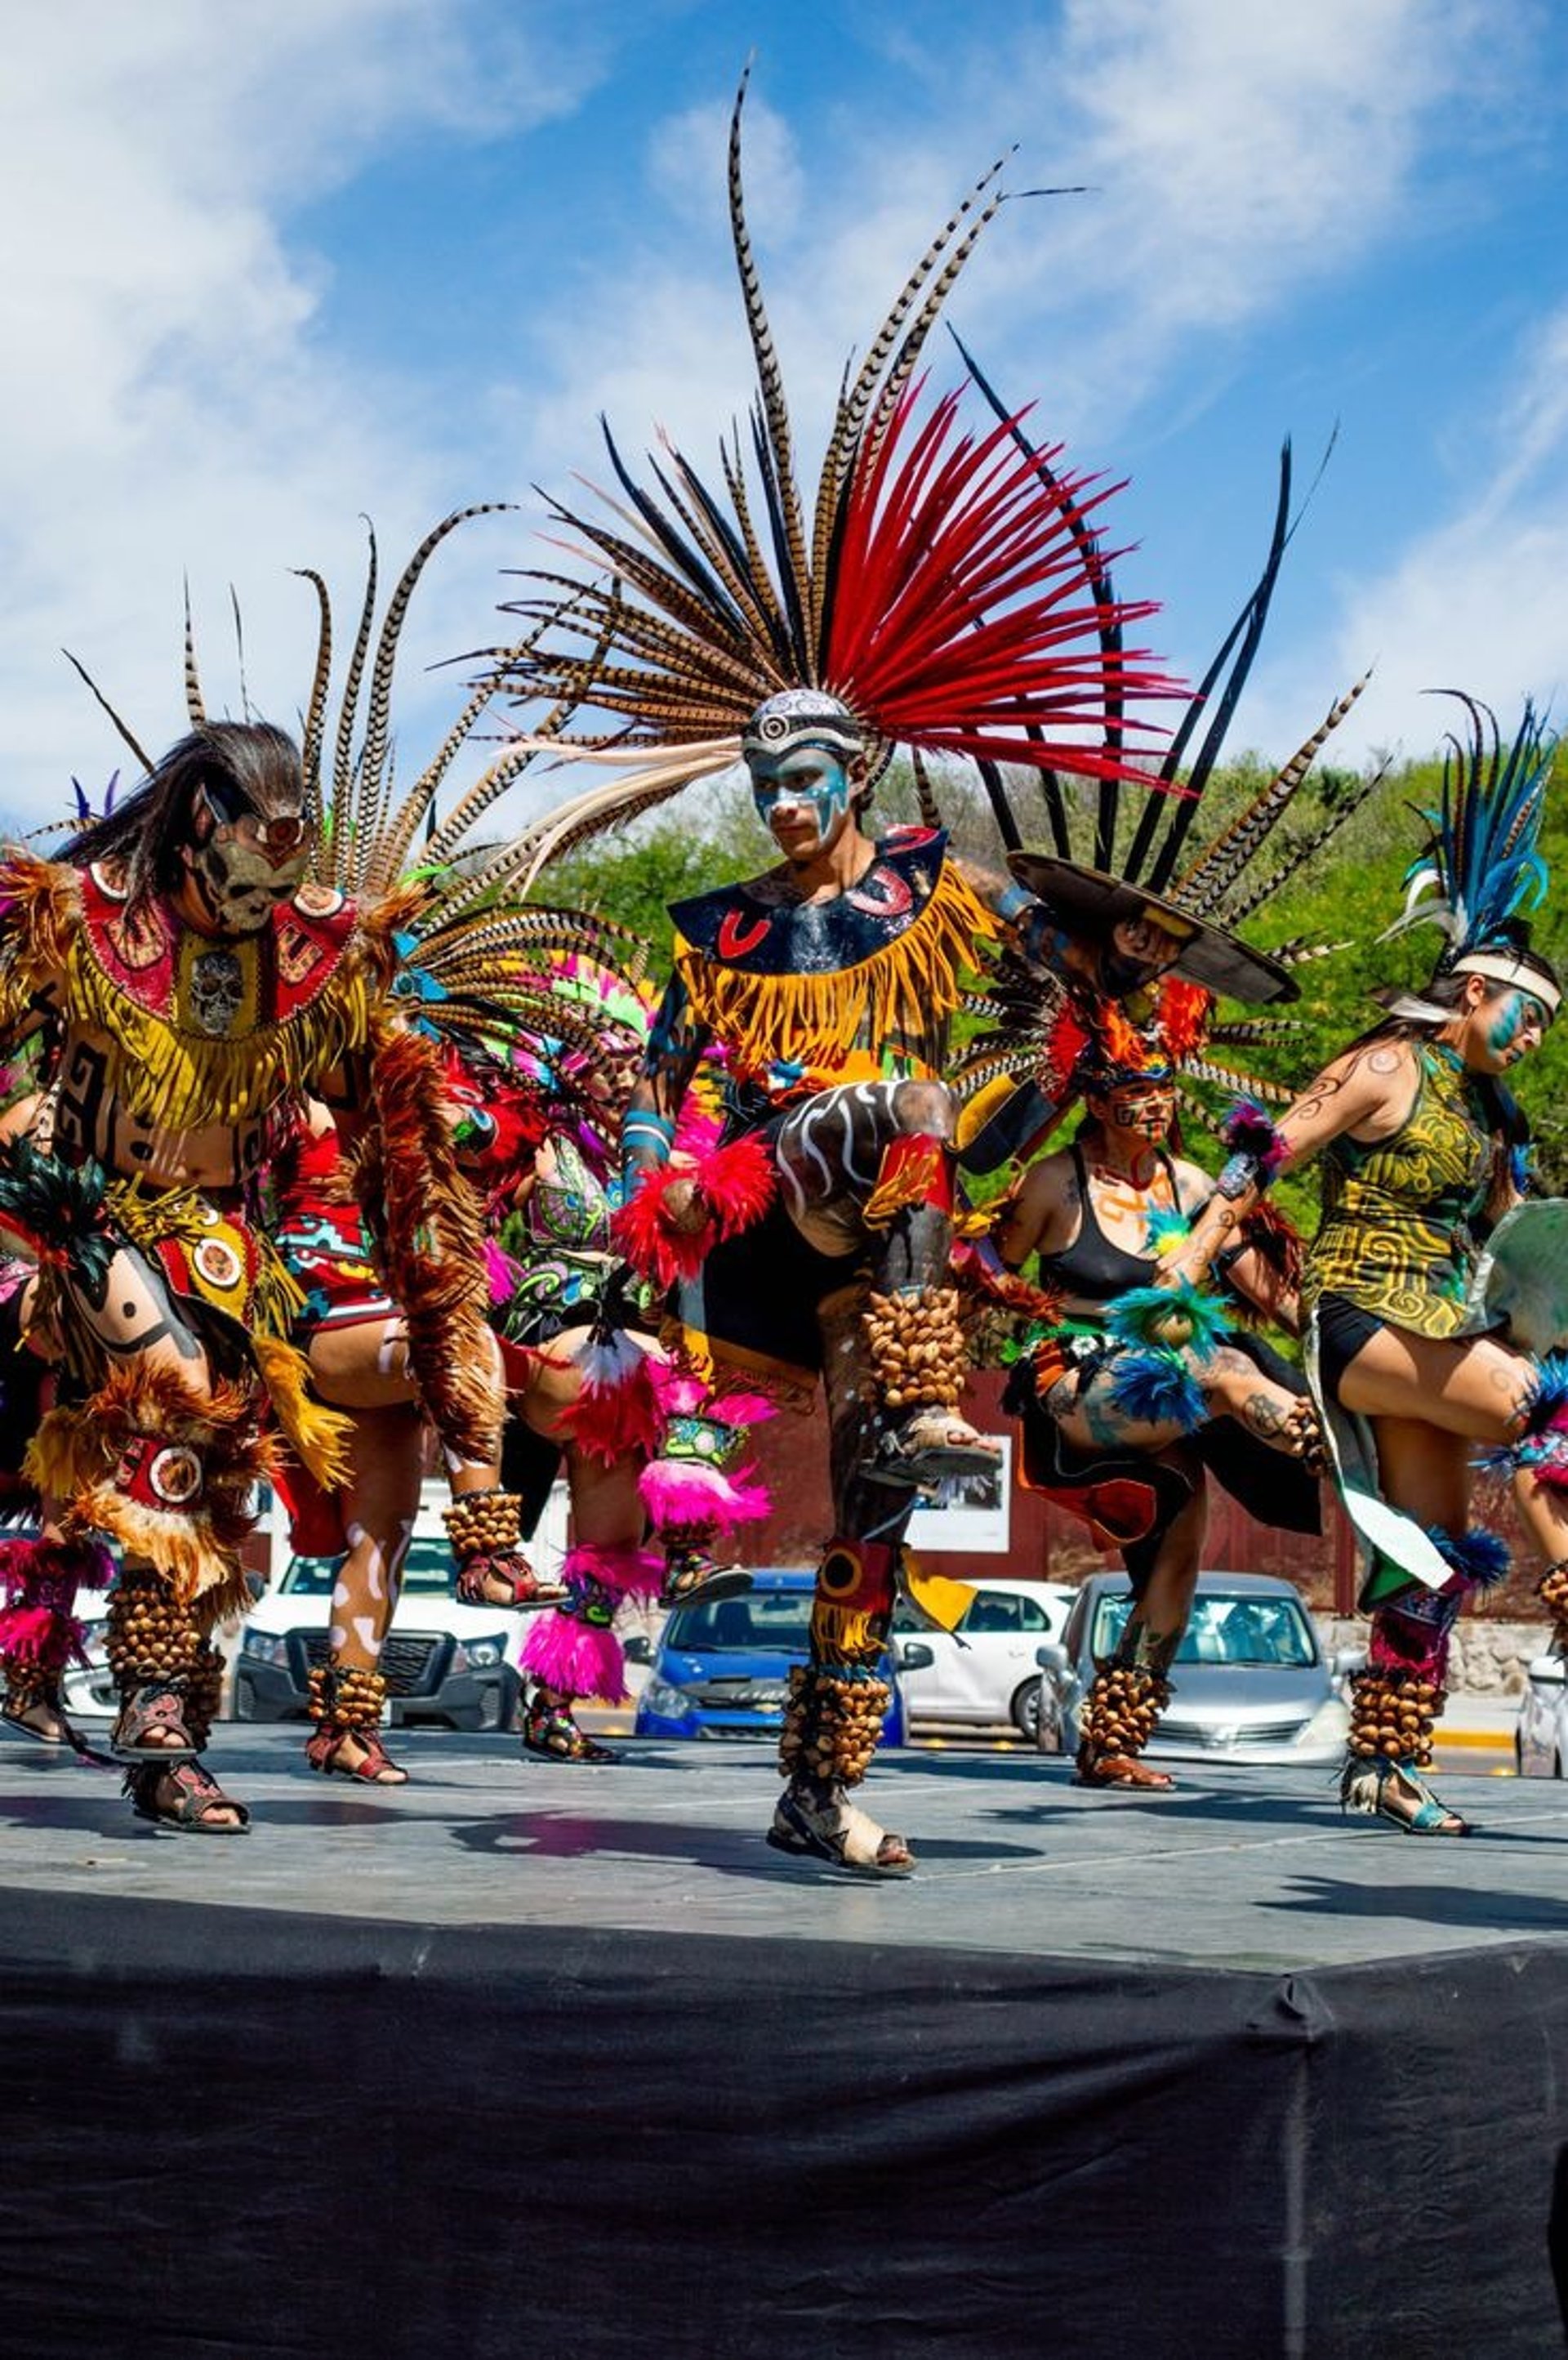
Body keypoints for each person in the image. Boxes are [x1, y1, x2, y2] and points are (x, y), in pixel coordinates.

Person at [499, 73, 1180, 1872]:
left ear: (859, 773)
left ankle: (821, 1777)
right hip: (756, 1225)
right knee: (881, 1107)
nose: (781, 801)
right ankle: (827, 1425)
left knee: (879, 1499)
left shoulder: (940, 903)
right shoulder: (721, 928)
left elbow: (994, 1095)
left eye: (806, 775)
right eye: (760, 778)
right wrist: (665, 1175)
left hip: (897, 1246)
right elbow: (664, 1086)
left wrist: (1092, 1032)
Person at [1164, 701, 1567, 1835]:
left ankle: (1387, 1759)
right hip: (1359, 1316)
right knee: (1530, 1400)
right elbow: (1263, 1152)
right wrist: (1190, 1259)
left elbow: (1517, 1246)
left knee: (1429, 1558)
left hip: (1444, 1318)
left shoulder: (1496, 1118)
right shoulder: (1388, 1064)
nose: (1533, 1040)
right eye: (1527, 1016)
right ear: (1474, 991)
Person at [996, 1040, 1321, 1787]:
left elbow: (1265, 1287)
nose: (1156, 1099)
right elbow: (986, 1269)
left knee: (1179, 1555)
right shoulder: (1054, 1185)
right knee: (1230, 1373)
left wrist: (1340, 1338)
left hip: (1176, 1383)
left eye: (1164, 1082)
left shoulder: (1194, 1183)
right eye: (1136, 1084)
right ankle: (1324, 1446)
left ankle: (1112, 1739)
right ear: (1098, 1099)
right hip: (1083, 1384)